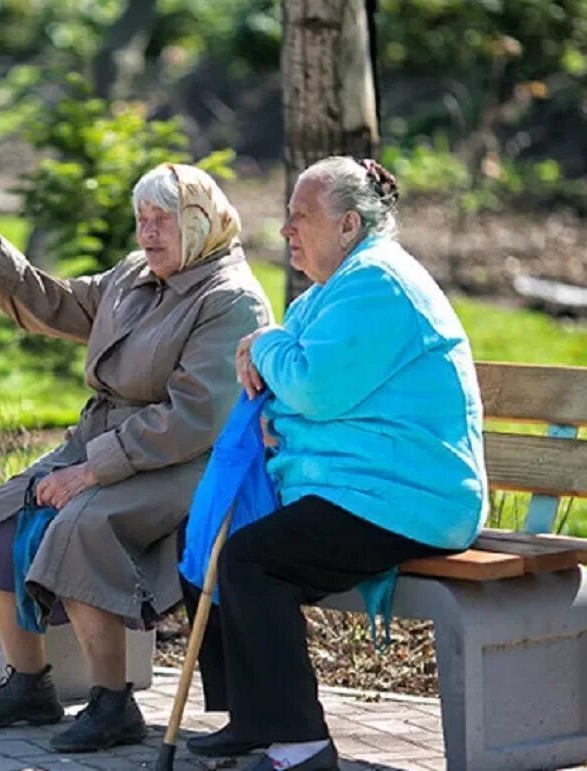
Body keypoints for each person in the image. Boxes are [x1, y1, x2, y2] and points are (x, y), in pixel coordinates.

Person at [0, 164, 273, 753]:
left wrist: (91, 470)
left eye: (160, 220)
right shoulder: (136, 275)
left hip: (187, 462)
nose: (147, 233)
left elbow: (195, 418)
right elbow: (62, 303)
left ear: (198, 223)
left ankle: (113, 703)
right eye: (141, 219)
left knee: (83, 526)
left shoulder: (230, 299)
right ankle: (28, 686)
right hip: (109, 444)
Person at [184, 157, 488, 771]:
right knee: (215, 539)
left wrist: (261, 345)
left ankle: (302, 745)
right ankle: (255, 720)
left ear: (348, 224)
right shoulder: (334, 289)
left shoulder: (379, 284)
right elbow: (299, 391)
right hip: (360, 487)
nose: (286, 230)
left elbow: (313, 385)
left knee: (254, 559)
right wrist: (275, 386)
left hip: (410, 497)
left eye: (301, 217)